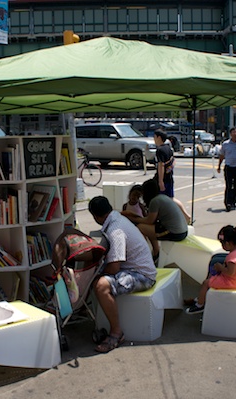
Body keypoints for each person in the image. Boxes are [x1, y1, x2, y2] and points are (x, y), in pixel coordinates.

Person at [88, 196, 157, 353]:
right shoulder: (116, 218)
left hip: (142, 275)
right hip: (134, 268)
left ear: (96, 216)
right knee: (97, 278)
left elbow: (113, 267)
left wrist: (96, 274)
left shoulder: (115, 230)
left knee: (101, 286)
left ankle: (116, 332)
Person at [184, 225, 236, 314]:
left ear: (228, 243)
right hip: (235, 281)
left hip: (230, 282)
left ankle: (200, 305)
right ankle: (201, 297)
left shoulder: (232, 257)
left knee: (206, 283)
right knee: (211, 276)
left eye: (222, 243)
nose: (222, 246)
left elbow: (230, 272)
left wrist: (220, 268)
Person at [122, 179, 188, 264]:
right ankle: (156, 252)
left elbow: (149, 221)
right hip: (181, 231)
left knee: (141, 227)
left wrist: (133, 218)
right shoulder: (162, 197)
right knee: (150, 228)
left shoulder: (155, 201)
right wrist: (134, 215)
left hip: (175, 233)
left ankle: (150, 252)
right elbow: (151, 220)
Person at [153, 130, 191, 222]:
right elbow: (173, 162)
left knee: (158, 199)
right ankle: (186, 216)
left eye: (154, 137)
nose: (154, 139)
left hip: (163, 179)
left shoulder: (160, 150)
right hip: (169, 178)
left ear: (158, 137)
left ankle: (160, 218)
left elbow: (161, 165)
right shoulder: (168, 148)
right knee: (170, 199)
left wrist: (160, 181)